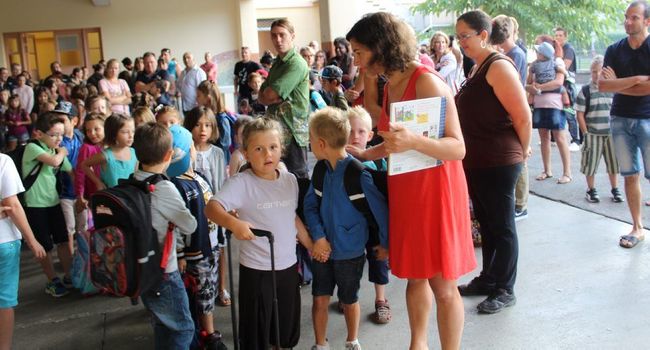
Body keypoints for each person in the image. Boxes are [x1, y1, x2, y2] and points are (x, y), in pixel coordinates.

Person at [346, 12, 476, 350]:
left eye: (359, 52)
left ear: (380, 46)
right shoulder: (392, 82)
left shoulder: (426, 80)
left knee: (444, 286)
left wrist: (414, 143)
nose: (356, 61)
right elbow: (394, 142)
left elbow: (458, 147)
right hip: (407, 188)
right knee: (415, 275)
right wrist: (365, 155)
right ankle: (417, 344)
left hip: (435, 190)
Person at [205, 117, 313, 349]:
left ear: (281, 149)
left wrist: (310, 245)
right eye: (259, 149)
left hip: (287, 266)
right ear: (245, 152)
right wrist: (234, 224)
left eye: (273, 147)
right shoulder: (241, 182)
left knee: (284, 329)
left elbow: (291, 217)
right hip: (257, 270)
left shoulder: (290, 180)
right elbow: (211, 208)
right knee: (258, 331)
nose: (267, 154)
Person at [454, 10, 532, 314]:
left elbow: (522, 116)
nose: (460, 42)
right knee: (486, 223)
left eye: (465, 36)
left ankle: (505, 287)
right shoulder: (477, 67)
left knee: (502, 226)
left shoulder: (499, 67)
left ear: (483, 35)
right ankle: (489, 278)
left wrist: (522, 152)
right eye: (458, 36)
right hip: (478, 159)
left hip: (500, 159)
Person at [304, 107, 388, 350]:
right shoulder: (320, 171)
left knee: (349, 299)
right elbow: (310, 205)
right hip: (323, 252)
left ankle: (352, 341)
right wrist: (318, 237)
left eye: (310, 139)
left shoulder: (358, 174)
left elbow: (381, 213)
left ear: (321, 143)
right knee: (319, 299)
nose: (310, 144)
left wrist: (386, 244)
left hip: (350, 254)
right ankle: (321, 344)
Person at [131, 122, 196, 349]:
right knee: (183, 328)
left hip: (142, 267)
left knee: (162, 324)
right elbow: (190, 225)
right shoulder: (163, 188)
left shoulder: (134, 180)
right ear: (169, 155)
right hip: (164, 272)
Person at [599, 0, 650, 248]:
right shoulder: (614, 49)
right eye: (626, 17)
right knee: (630, 175)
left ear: (647, 21)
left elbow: (614, 85)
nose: (628, 22)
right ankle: (637, 227)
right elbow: (603, 85)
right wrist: (639, 80)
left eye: (635, 18)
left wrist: (621, 83)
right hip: (620, 119)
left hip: (648, 118)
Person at [22, 112, 75, 297]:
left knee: (62, 240)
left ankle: (69, 275)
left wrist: (80, 195)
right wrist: (61, 152)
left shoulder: (56, 151)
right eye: (53, 135)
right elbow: (54, 161)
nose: (58, 139)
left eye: (61, 134)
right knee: (44, 246)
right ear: (38, 134)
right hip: (35, 205)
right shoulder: (33, 147)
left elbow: (70, 171)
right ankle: (52, 280)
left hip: (53, 202)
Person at [184, 106, 230, 308]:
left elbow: (221, 181)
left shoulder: (218, 153)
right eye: (197, 125)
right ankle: (197, 287)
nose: (202, 129)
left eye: (207, 125)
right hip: (194, 210)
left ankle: (221, 287)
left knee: (221, 249)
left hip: (216, 208)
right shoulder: (185, 151)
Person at [0, 154, 46, 350]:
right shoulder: (3, 161)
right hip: (4, 240)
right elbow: (13, 206)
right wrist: (32, 240)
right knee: (4, 303)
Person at [259, 19, 311, 179]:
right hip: (277, 132)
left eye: (282, 35)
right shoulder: (277, 64)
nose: (278, 40)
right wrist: (268, 96)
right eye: (274, 36)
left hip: (293, 133)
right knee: (277, 179)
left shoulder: (296, 63)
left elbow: (269, 95)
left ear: (292, 36)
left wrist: (269, 95)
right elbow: (262, 96)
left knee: (297, 181)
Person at [491, 15, 530, 220]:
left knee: (520, 156)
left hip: (513, 110)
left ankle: (521, 204)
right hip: (509, 110)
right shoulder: (508, 53)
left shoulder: (516, 54)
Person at [575, 55, 623, 203]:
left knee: (613, 163)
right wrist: (586, 133)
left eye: (600, 71)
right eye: (594, 71)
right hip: (593, 133)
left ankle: (615, 189)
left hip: (611, 133)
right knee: (590, 163)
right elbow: (580, 114)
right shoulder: (586, 90)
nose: (597, 75)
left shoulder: (613, 89)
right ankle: (591, 189)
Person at [527, 36, 573, 185]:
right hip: (540, 103)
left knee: (559, 137)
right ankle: (547, 170)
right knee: (544, 137)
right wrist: (533, 88)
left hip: (554, 103)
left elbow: (559, 82)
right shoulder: (534, 65)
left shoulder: (556, 62)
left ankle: (567, 172)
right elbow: (528, 82)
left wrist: (539, 87)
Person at [80, 114, 137, 190]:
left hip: (130, 197)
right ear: (113, 133)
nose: (131, 135)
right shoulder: (106, 155)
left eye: (133, 131)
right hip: (112, 198)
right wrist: (98, 182)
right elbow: (84, 165)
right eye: (125, 132)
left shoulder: (134, 153)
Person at [74, 113, 105, 224]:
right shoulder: (87, 148)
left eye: (96, 129)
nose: (92, 134)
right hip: (94, 195)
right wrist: (80, 195)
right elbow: (80, 172)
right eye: (88, 130)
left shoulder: (110, 147)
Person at [196, 80, 232, 164]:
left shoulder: (222, 120)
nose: (196, 98)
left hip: (220, 162)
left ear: (208, 99)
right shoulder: (205, 117)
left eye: (198, 96)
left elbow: (225, 144)